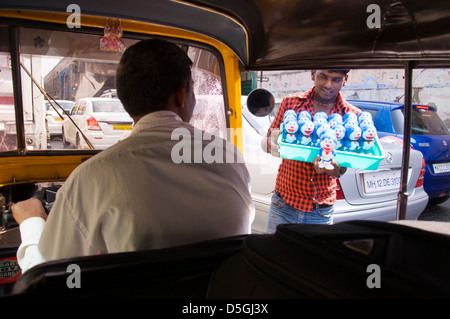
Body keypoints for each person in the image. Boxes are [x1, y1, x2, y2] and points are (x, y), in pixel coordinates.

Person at [11, 39, 255, 273]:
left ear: (125, 99)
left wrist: (32, 222)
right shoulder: (228, 156)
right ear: (181, 94)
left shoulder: (92, 177)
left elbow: (46, 277)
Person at [262, 69, 361, 233]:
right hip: (284, 205)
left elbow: (342, 168)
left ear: (345, 80)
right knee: (273, 256)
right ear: (313, 74)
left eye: (336, 79)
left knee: (313, 259)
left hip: (320, 212)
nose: (328, 85)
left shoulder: (350, 116)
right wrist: (285, 141)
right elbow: (270, 145)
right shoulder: (291, 104)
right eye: (323, 77)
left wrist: (333, 169)